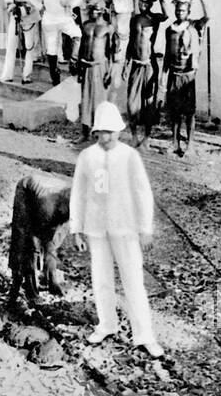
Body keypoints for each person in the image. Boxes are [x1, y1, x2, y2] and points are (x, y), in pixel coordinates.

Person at [69, 102, 164, 358]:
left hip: (125, 227)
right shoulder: (87, 157)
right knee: (101, 279)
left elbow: (143, 192)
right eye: (102, 132)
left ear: (120, 131)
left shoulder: (129, 156)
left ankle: (144, 335)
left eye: (112, 131)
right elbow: (78, 193)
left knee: (133, 281)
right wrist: (76, 229)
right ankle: (106, 325)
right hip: (97, 228)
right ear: (95, 133)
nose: (107, 137)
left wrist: (145, 228)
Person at [7, 173, 70, 305]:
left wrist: (53, 279)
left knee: (52, 240)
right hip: (27, 190)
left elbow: (52, 243)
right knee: (25, 240)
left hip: (50, 198)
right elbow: (34, 239)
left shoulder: (71, 206)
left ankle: (50, 280)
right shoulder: (47, 206)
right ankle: (27, 288)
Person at [164, 0, 209, 156]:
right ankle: (175, 143)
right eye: (177, 10)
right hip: (174, 75)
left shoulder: (194, 26)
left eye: (183, 10)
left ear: (188, 11)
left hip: (188, 75)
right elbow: (168, 54)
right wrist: (163, 76)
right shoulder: (170, 29)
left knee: (189, 113)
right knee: (174, 112)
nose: (179, 12)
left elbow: (207, 16)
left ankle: (190, 144)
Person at [31, 0, 83, 85]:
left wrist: (71, 4)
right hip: (50, 18)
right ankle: (54, 73)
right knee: (51, 48)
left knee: (78, 35)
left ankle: (73, 61)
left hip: (65, 17)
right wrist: (40, 6)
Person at [124, 0, 167, 147]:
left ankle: (147, 138)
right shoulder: (134, 19)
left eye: (146, 3)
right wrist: (126, 63)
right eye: (141, 3)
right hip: (136, 65)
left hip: (149, 65)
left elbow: (167, 14)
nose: (143, 6)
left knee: (149, 103)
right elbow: (131, 41)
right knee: (132, 102)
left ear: (151, 4)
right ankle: (134, 135)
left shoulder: (154, 19)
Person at [75, 0, 116, 138]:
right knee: (85, 99)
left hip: (100, 67)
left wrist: (109, 72)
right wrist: (79, 68)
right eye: (92, 8)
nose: (93, 11)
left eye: (97, 8)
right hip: (86, 66)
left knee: (100, 100)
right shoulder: (86, 25)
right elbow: (81, 48)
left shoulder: (108, 28)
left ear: (103, 10)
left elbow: (111, 52)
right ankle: (85, 133)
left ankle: (99, 132)